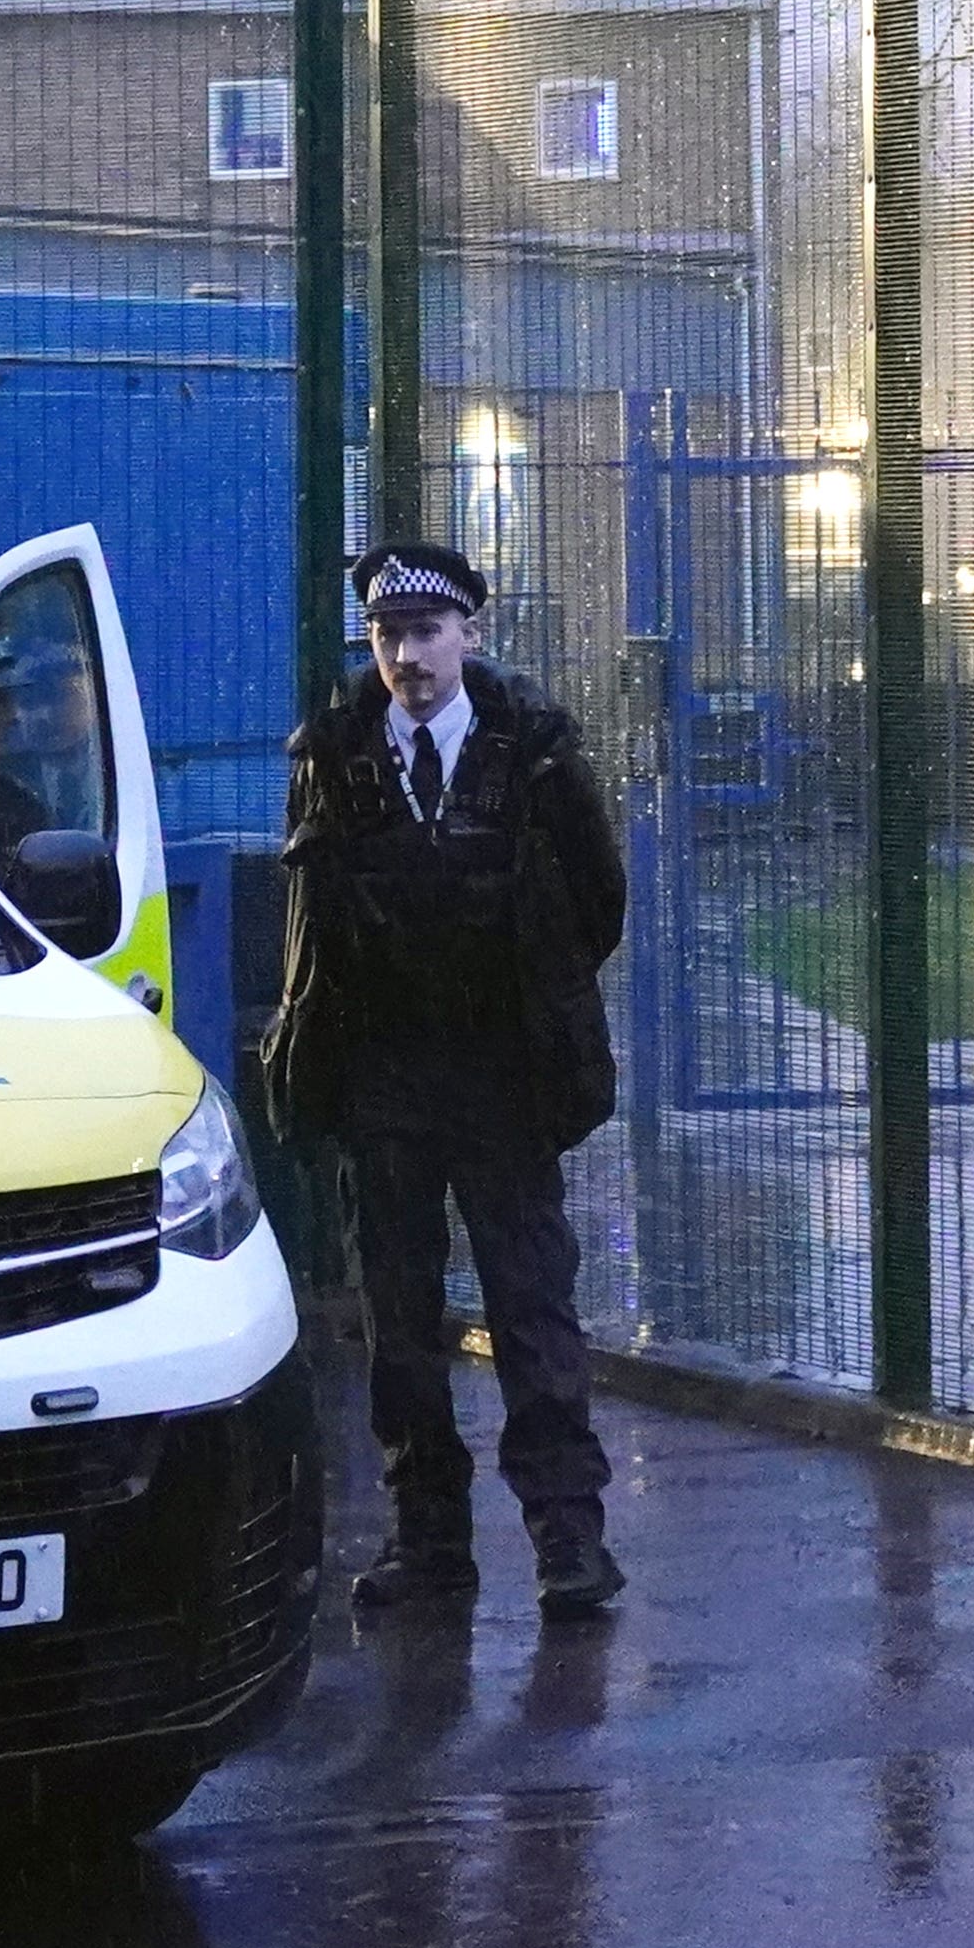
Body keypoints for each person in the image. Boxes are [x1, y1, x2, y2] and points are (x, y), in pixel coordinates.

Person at [262, 542, 629, 1624]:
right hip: (386, 1077)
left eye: (427, 633)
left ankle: (569, 1540)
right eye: (388, 636)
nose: (408, 658)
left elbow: (595, 900)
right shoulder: (334, 753)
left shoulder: (535, 754)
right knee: (399, 1320)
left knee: (532, 1305)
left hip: (502, 1073)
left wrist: (533, 1008)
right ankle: (427, 1542)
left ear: (471, 633)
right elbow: (313, 918)